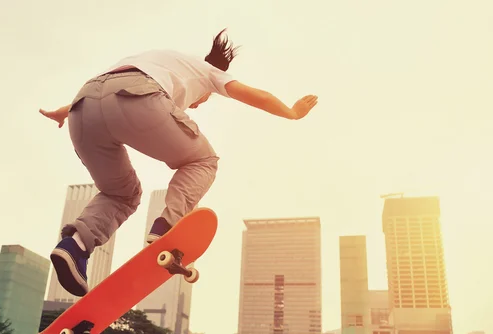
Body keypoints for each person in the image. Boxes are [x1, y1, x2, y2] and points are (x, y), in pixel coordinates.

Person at [39, 29, 318, 298]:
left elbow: (102, 95)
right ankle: (167, 228)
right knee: (203, 160)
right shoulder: (208, 71)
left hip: (81, 107)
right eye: (203, 100)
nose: (196, 104)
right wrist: (292, 112)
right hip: (139, 97)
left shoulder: (161, 59)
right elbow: (256, 95)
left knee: (120, 193)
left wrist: (61, 112)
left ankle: (74, 246)